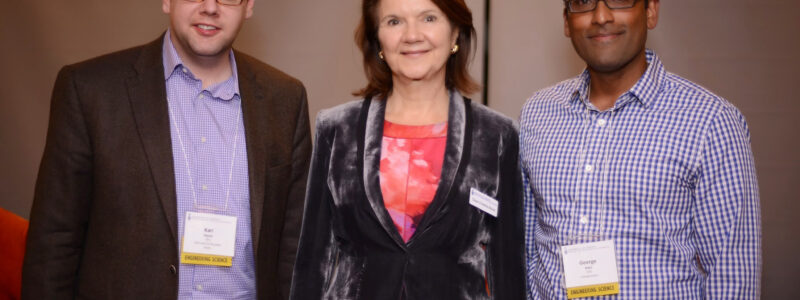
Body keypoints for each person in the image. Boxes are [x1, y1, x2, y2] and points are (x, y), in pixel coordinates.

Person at [22, 0, 311, 299]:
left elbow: (297, 249)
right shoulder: (90, 91)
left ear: (249, 6)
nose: (210, 7)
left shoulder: (285, 101)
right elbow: (53, 244)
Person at [520, 0, 761, 299]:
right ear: (567, 22)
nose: (601, 16)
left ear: (650, 11)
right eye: (583, 2)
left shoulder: (710, 122)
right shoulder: (538, 113)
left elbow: (732, 278)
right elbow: (525, 250)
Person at [289, 0, 525, 299]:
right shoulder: (337, 129)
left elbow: (507, 268)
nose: (412, 35)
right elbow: (312, 261)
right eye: (394, 22)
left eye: (428, 18)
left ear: (455, 33)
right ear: (377, 41)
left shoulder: (497, 136)